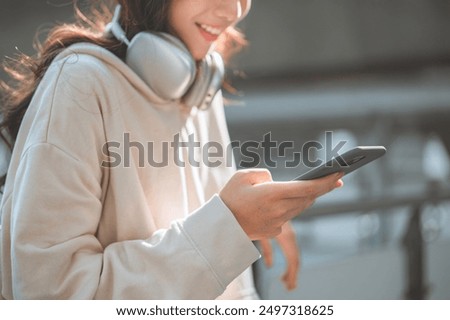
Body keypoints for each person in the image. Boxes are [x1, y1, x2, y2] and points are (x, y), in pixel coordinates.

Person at [0, 0, 343, 299]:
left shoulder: (197, 80)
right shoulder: (81, 83)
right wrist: (228, 229)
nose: (234, 10)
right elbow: (52, 297)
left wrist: (256, 216)